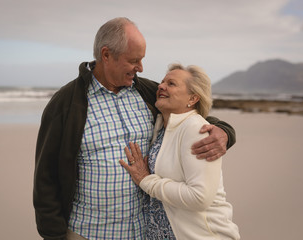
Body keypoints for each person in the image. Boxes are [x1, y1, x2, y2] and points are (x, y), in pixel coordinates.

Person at [34, 17, 236, 240]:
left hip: (143, 233)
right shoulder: (66, 103)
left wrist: (225, 132)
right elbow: (46, 176)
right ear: (106, 55)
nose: (140, 68)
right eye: (134, 60)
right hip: (89, 232)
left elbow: (190, 115)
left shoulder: (146, 92)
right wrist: (53, 235)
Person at [120, 64, 240, 239]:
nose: (161, 86)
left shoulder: (196, 130)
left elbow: (200, 197)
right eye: (162, 82)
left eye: (171, 84)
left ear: (192, 98)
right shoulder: (162, 127)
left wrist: (146, 181)